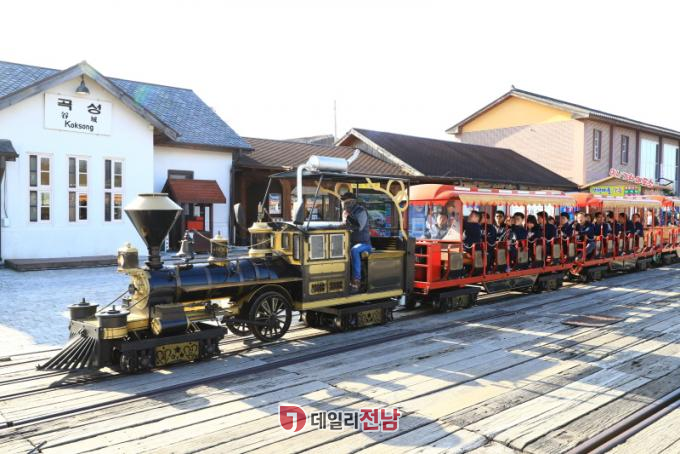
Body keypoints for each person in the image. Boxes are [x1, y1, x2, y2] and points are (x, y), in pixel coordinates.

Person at [341, 192, 371, 292]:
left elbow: (359, 226)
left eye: (346, 201)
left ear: (352, 201)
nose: (344, 204)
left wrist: (348, 217)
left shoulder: (360, 211)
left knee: (354, 250)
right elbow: (344, 226)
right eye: (343, 201)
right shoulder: (345, 212)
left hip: (364, 244)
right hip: (351, 242)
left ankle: (356, 280)